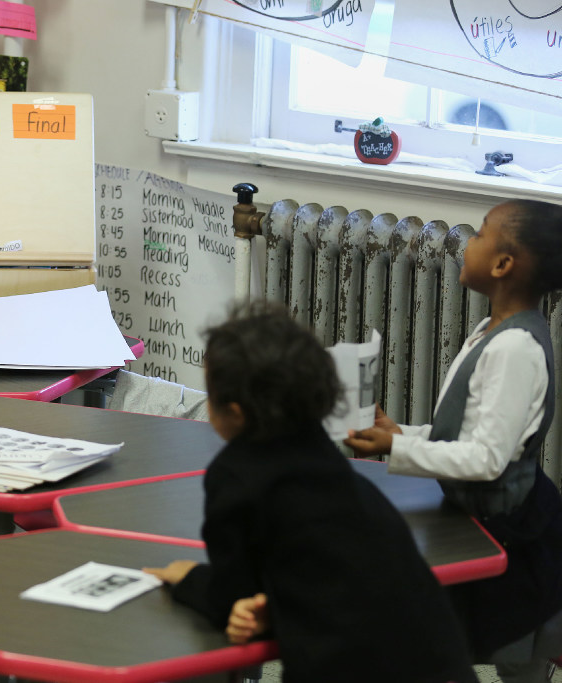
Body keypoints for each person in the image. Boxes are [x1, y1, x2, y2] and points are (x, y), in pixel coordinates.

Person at [143, 302, 477, 683]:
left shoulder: (235, 477)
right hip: (441, 660)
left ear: (234, 412)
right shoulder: (324, 457)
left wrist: (188, 578)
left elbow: (230, 599)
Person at [345, 199, 562, 683]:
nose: (470, 242)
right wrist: (400, 433)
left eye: (481, 233)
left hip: (513, 531)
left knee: (517, 658)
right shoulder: (491, 331)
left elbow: (486, 460)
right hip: (482, 519)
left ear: (504, 265)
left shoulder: (514, 349)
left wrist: (396, 448)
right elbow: (469, 435)